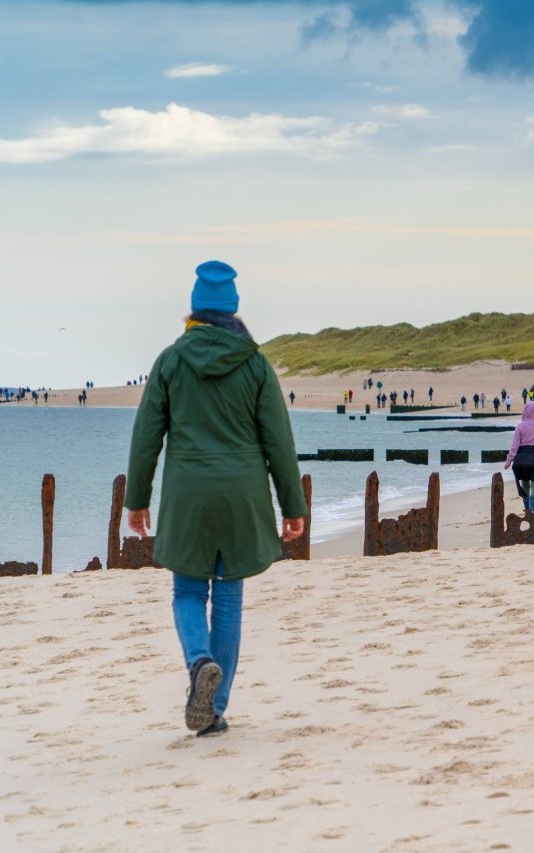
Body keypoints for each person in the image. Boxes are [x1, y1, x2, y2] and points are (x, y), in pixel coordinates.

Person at [125, 260, 305, 738]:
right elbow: (279, 443)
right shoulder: (256, 363)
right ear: (233, 309)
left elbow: (147, 437)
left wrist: (137, 499)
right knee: (228, 597)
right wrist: (293, 507)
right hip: (243, 495)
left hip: (189, 495)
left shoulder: (171, 359)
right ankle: (214, 709)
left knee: (187, 591)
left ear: (195, 309)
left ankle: (199, 661)